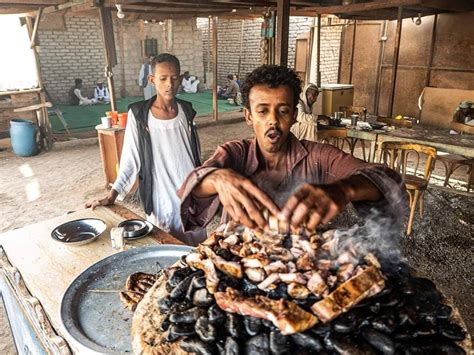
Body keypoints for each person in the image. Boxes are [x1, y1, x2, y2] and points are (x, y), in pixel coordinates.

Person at [178, 65, 406, 234]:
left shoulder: (319, 157)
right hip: (240, 265)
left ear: (295, 116)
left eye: (283, 111)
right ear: (248, 116)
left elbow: (388, 179)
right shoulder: (235, 154)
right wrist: (217, 178)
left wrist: (344, 188)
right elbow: (194, 188)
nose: (273, 122)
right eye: (262, 111)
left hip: (304, 273)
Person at [86, 53, 204, 245]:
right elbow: (130, 159)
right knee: (167, 247)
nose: (169, 84)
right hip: (162, 196)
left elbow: (194, 154)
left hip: (191, 192)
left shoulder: (186, 111)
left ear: (180, 79)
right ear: (152, 80)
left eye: (174, 78)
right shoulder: (139, 115)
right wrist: (113, 193)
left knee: (197, 249)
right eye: (163, 78)